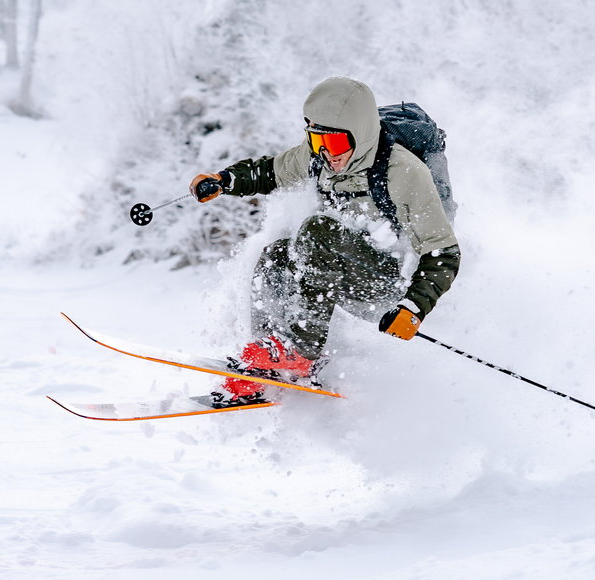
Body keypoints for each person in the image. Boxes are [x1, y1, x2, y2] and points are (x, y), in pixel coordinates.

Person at [190, 77, 460, 403]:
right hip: (344, 270)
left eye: (333, 145)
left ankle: (301, 352)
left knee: (319, 231)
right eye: (317, 141)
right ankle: (267, 355)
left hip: (392, 287)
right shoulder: (320, 156)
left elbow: (442, 250)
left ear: (359, 135)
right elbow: (271, 171)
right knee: (277, 252)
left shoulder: (402, 171)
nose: (325, 155)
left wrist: (414, 306)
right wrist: (225, 180)